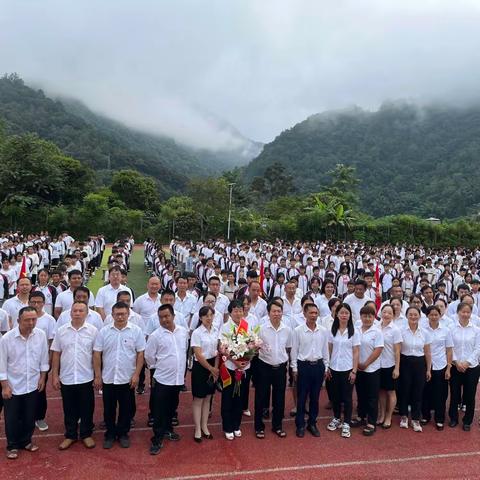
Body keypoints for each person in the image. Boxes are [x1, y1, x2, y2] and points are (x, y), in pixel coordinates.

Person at [93, 302, 145, 449]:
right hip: (108, 377)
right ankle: (110, 434)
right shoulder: (104, 332)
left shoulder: (136, 331)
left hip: (127, 378)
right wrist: (98, 375)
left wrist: (136, 374)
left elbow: (140, 353)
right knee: (108, 408)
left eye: (123, 314)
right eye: (117, 314)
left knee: (126, 408)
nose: (120, 317)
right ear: (112, 315)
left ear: (128, 314)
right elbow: (97, 354)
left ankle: (123, 433)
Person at [0, 306, 49, 459]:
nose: (31, 323)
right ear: (18, 320)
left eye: (34, 319)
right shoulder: (7, 338)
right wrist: (5, 386)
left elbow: (43, 360)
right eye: (27, 320)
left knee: (30, 416)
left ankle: (26, 441)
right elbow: (1, 364)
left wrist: (42, 378)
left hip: (33, 384)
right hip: (13, 386)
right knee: (12, 418)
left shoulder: (40, 335)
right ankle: (12, 445)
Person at [50, 301, 98, 450]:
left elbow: (96, 355)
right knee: (69, 408)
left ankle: (86, 434)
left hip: (86, 376)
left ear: (86, 313)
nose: (77, 313)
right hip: (67, 376)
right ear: (70, 313)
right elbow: (56, 354)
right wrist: (55, 375)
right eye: (75, 310)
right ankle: (70, 435)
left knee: (87, 407)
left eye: (81, 311)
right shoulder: (61, 331)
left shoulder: (93, 331)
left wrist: (98, 376)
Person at [145, 304, 189, 455]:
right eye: (161, 317)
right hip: (162, 379)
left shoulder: (183, 332)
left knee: (172, 407)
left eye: (167, 316)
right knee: (159, 410)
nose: (164, 320)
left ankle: (168, 430)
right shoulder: (155, 336)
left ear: (173, 316)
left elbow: (185, 350)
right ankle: (157, 439)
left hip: (177, 379)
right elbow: (149, 357)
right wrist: (160, 367)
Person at [254, 300, 292, 439]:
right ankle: (259, 427)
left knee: (279, 398)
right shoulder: (261, 328)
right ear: (268, 313)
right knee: (260, 397)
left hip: (280, 368)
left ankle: (277, 426)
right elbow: (255, 346)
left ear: (282, 313)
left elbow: (288, 347)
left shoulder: (287, 329)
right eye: (274, 311)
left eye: (279, 311)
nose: (276, 314)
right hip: (264, 366)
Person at [291, 303, 328, 438]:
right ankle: (300, 424)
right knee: (301, 398)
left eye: (315, 313)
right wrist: (294, 368)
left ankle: (312, 423)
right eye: (311, 313)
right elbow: (294, 351)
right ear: (305, 314)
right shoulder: (298, 330)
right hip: (303, 366)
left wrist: (326, 366)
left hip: (318, 366)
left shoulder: (323, 331)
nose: (313, 315)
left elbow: (325, 350)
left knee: (315, 397)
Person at [220, 299, 252, 440]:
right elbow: (224, 348)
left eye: (240, 310)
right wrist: (236, 361)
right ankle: (227, 426)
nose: (238, 313)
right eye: (235, 310)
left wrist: (247, 359)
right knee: (228, 397)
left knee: (240, 397)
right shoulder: (225, 327)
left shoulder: (246, 325)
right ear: (230, 312)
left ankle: (236, 425)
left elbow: (252, 344)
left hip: (244, 367)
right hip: (230, 368)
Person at [326, 303, 359, 439]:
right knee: (335, 396)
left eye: (346, 313)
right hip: (334, 368)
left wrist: (354, 371)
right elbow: (329, 349)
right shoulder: (332, 331)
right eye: (341, 313)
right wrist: (327, 366)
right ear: (337, 314)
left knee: (347, 397)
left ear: (350, 315)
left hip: (347, 369)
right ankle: (336, 418)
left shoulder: (353, 331)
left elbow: (356, 352)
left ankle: (346, 422)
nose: (344, 315)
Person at [351, 305, 384, 436]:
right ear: (361, 317)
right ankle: (361, 416)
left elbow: (378, 350)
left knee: (372, 396)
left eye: (370, 316)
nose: (367, 318)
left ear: (374, 317)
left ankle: (371, 422)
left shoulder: (377, 332)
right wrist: (357, 364)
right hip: (358, 368)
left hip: (372, 369)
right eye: (365, 316)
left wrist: (365, 363)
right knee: (360, 394)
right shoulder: (356, 330)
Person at [398, 306, 432, 432]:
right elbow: (398, 350)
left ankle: (416, 418)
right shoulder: (401, 331)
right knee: (405, 390)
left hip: (419, 363)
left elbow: (428, 352)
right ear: (406, 316)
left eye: (415, 314)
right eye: (410, 314)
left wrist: (428, 369)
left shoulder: (425, 332)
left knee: (418, 391)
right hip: (405, 362)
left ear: (419, 316)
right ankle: (404, 416)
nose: (413, 317)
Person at [448, 302, 480, 431]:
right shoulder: (451, 328)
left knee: (470, 395)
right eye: (463, 312)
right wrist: (456, 361)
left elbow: (478, 348)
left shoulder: (476, 330)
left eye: (468, 312)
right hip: (456, 366)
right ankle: (453, 418)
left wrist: (467, 362)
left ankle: (467, 420)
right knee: (454, 393)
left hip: (472, 367)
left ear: (471, 313)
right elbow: (450, 347)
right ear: (458, 313)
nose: (465, 314)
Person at [421, 305, 453, 430]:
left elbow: (449, 350)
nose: (434, 317)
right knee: (425, 392)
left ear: (440, 316)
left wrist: (449, 368)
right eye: (431, 315)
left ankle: (439, 419)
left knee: (441, 393)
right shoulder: (423, 330)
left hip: (441, 365)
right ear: (427, 316)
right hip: (425, 366)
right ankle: (425, 415)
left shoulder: (446, 331)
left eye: (436, 315)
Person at [190, 306, 219, 442]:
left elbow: (217, 351)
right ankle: (197, 429)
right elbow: (198, 354)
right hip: (201, 367)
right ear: (200, 318)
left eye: (211, 315)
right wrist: (210, 368)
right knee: (198, 399)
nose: (209, 318)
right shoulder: (197, 333)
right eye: (206, 315)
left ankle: (204, 426)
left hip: (213, 366)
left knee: (208, 398)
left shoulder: (215, 331)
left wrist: (216, 368)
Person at [28, 291, 55, 432]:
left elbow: (52, 342)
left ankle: (39, 417)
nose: (36, 305)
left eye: (39, 302)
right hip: (24, 360)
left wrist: (49, 360)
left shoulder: (49, 320)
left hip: (41, 361)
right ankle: (27, 417)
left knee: (40, 389)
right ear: (29, 302)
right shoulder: (24, 317)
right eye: (33, 302)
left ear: (44, 303)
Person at [378, 304, 402, 429]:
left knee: (391, 391)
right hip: (377, 365)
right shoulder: (376, 326)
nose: (386, 315)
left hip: (390, 364)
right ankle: (381, 414)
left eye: (389, 313)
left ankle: (388, 417)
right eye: (384, 312)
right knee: (381, 391)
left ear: (393, 315)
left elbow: (397, 351)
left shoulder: (395, 330)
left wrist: (397, 368)